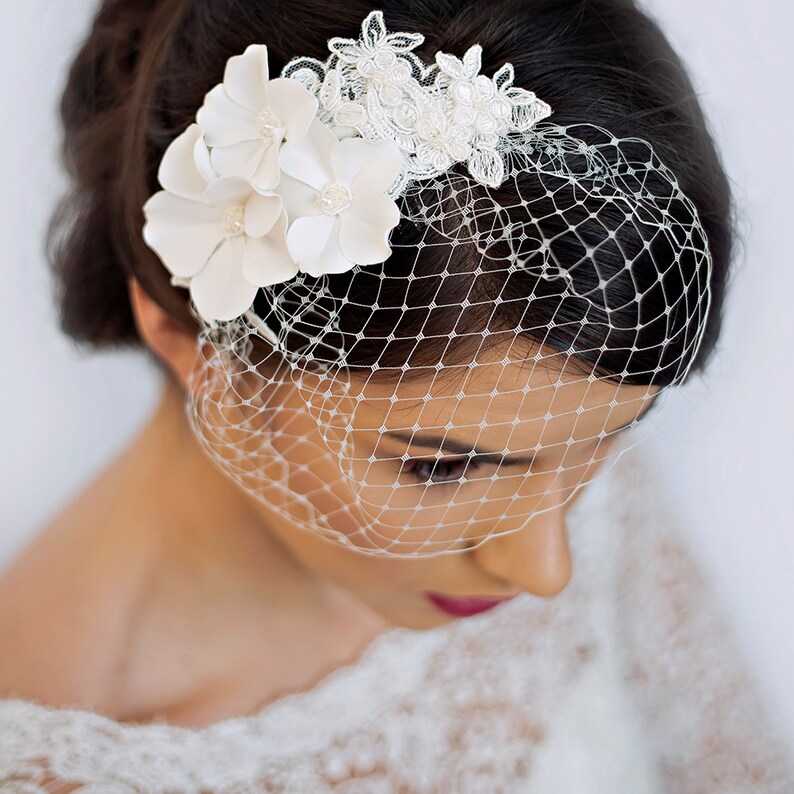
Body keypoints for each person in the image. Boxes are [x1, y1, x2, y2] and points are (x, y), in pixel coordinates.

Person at [0, 0, 791, 790]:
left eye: (607, 439)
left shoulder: (557, 444)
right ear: (197, 348)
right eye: (442, 470)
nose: (549, 568)